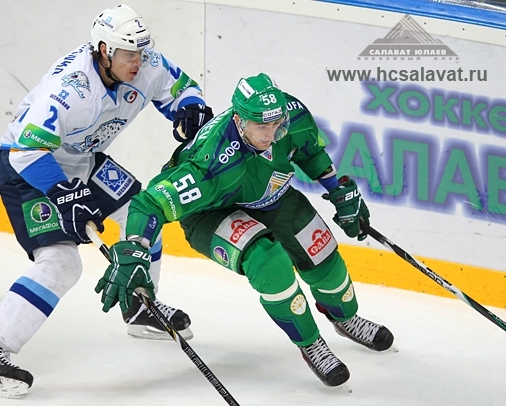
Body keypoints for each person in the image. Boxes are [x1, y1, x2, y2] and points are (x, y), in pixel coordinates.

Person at [0, 4, 213, 398]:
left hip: (83, 161)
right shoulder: (69, 90)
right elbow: (25, 150)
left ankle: (139, 307)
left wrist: (191, 107)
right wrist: (63, 193)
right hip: (31, 170)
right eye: (128, 54)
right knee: (62, 263)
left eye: (141, 52)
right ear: (104, 51)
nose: (138, 61)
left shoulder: (146, 63)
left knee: (143, 212)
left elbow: (181, 88)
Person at [93, 73, 395, 389]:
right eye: (262, 127)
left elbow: (310, 151)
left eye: (277, 123)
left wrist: (338, 189)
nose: (272, 134)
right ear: (239, 121)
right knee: (269, 261)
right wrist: (136, 245)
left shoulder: (291, 115)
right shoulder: (210, 162)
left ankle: (345, 317)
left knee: (323, 254)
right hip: (209, 212)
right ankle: (310, 342)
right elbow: (149, 203)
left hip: (270, 194)